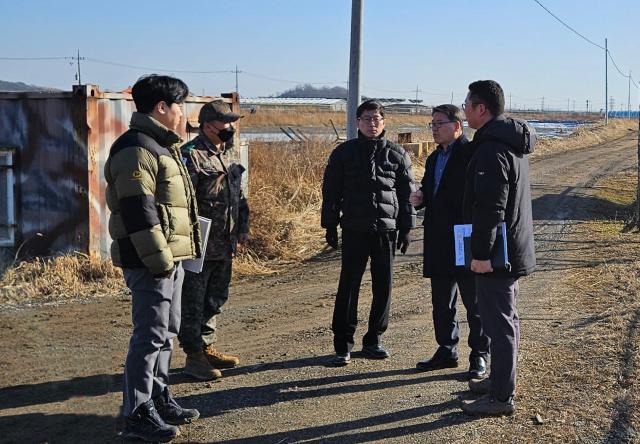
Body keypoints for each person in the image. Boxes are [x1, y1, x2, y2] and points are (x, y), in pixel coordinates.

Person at [105, 74, 202, 441]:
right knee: (148, 335)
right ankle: (136, 412)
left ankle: (159, 397)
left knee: (166, 332)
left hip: (169, 259)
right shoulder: (136, 148)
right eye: (181, 106)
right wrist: (160, 261)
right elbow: (139, 213)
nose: (183, 114)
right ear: (162, 107)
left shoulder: (161, 145)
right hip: (150, 261)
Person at [459, 80, 536, 416]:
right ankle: (500, 382)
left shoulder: (492, 149)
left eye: (466, 105)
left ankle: (501, 398)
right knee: (506, 320)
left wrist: (480, 255)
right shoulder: (509, 143)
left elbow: (490, 207)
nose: (463, 111)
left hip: (497, 256)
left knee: (499, 324)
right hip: (510, 249)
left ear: (481, 109)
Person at [321, 99, 416, 366]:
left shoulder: (397, 154)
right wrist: (330, 224)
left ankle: (374, 339)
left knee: (383, 286)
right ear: (357, 122)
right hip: (354, 229)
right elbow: (330, 191)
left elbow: (407, 194)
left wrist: (407, 227)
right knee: (348, 287)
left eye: (377, 119)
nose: (372, 124)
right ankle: (343, 344)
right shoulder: (343, 153)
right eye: (366, 119)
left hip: (386, 231)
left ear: (384, 122)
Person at [410, 105, 489, 379]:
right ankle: (446, 349)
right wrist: (420, 200)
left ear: (457, 126)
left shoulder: (470, 155)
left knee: (474, 302)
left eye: (439, 123)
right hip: (437, 237)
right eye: (431, 123)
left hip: (464, 237)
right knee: (442, 302)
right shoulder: (433, 159)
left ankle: (479, 355)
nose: (434, 128)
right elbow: (431, 191)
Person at [178, 100, 249, 380]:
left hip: (225, 240)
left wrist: (243, 227)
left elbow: (238, 196)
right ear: (208, 126)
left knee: (216, 297)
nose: (231, 128)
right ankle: (193, 355)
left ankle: (207, 346)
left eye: (232, 123)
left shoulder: (229, 153)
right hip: (201, 242)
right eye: (226, 124)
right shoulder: (190, 155)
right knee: (193, 300)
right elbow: (182, 202)